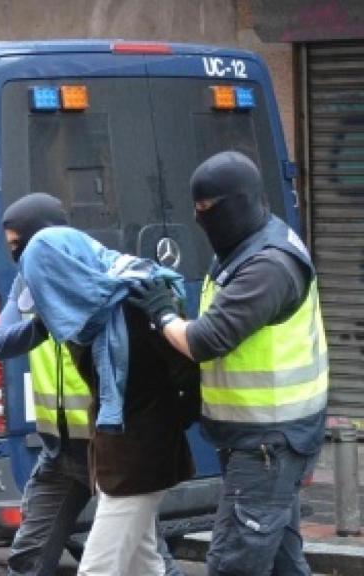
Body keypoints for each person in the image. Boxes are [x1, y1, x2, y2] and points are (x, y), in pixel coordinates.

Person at [129, 151, 328, 576]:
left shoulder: (268, 265)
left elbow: (206, 340)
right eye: (197, 208)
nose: (201, 219)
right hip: (261, 436)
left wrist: (163, 315)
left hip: (269, 441)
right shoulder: (245, 246)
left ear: (242, 201)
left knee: (232, 564)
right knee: (282, 563)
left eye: (208, 208)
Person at [0, 194, 184, 576]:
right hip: (60, 450)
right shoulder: (30, 283)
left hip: (111, 447)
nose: (16, 256)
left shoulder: (106, 285)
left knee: (141, 558)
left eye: (20, 245)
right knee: (29, 560)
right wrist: (48, 319)